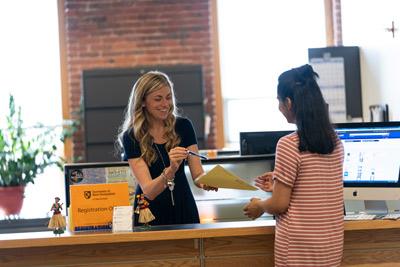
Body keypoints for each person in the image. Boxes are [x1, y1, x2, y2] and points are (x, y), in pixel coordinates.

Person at [243, 64, 344, 267]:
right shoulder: (335, 142)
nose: (279, 107)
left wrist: (259, 206)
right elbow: (317, 189)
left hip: (298, 250)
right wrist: (279, 183)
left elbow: (280, 204)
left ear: (288, 103)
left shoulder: (288, 144)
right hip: (331, 247)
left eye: (279, 102)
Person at [118, 71, 217, 226]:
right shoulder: (131, 136)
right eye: (158, 99)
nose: (166, 104)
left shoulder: (183, 126)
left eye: (168, 97)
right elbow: (149, 192)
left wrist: (206, 182)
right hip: (148, 213)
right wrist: (171, 170)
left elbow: (197, 174)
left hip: (184, 207)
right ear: (143, 102)